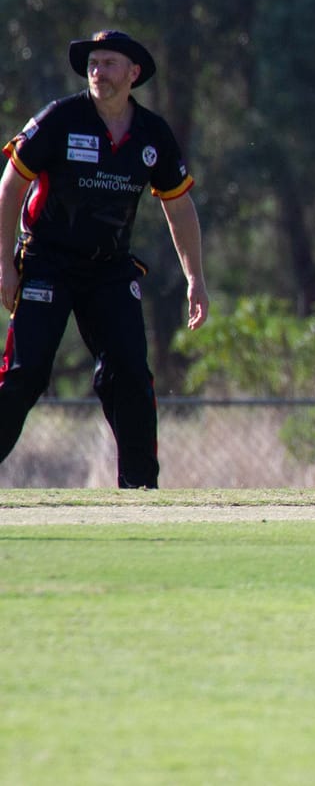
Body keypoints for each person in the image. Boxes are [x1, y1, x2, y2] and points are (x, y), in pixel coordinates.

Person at [0, 30, 208, 489]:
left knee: (130, 373)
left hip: (110, 269)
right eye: (93, 63)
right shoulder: (60, 119)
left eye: (109, 63)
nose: (98, 72)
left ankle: (139, 490)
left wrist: (195, 278)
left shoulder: (152, 133)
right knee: (25, 373)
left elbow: (178, 207)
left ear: (133, 73)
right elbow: (10, 187)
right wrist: (3, 264)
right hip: (46, 262)